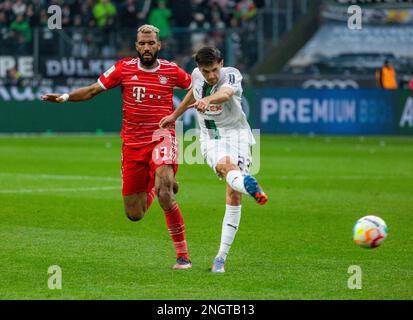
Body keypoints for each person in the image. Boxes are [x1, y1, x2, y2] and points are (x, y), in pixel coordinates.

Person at [41, 25, 193, 270]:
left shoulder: (172, 71)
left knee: (166, 193)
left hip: (162, 136)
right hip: (132, 144)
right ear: (136, 46)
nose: (146, 47)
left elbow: (195, 88)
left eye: (151, 43)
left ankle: (183, 256)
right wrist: (65, 97)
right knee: (135, 214)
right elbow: (92, 90)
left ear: (158, 45)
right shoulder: (123, 69)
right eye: (142, 43)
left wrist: (178, 113)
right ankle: (160, 181)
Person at [160, 46, 268, 273]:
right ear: (199, 68)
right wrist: (174, 115)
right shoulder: (197, 74)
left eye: (214, 69)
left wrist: (208, 100)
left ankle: (220, 258)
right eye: (206, 70)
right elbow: (193, 91)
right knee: (225, 167)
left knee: (233, 194)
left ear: (221, 63)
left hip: (238, 136)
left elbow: (226, 94)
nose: (211, 75)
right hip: (211, 138)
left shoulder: (232, 74)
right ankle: (250, 185)